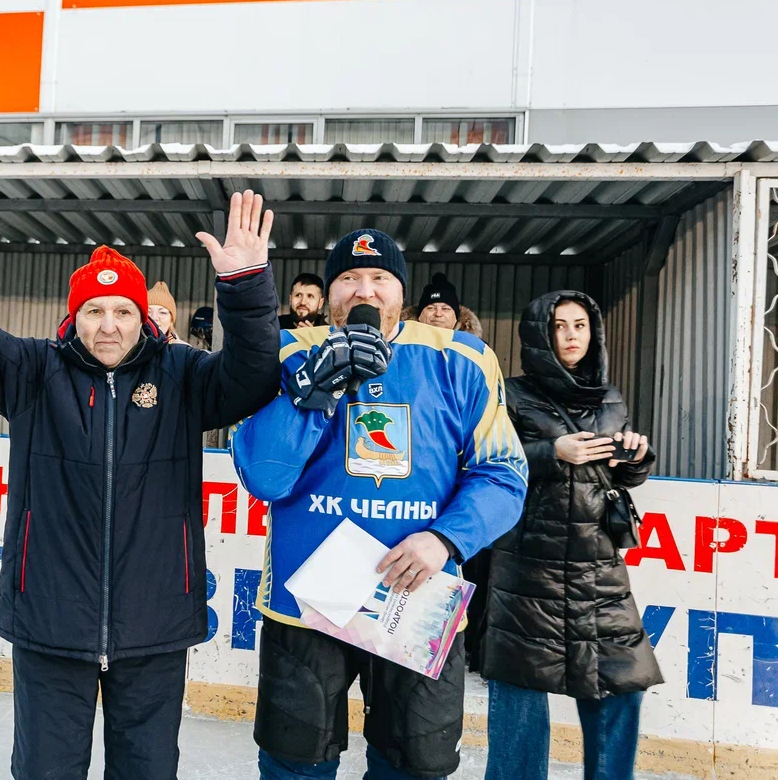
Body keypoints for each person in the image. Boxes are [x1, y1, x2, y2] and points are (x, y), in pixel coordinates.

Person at [0, 131, 280, 780]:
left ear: (143, 317)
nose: (109, 324)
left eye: (122, 311)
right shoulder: (30, 373)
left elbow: (253, 374)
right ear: (72, 317)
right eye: (94, 310)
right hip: (51, 622)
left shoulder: (184, 378)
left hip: (155, 626)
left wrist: (244, 286)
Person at [232, 228, 529, 780]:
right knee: (294, 764)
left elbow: (505, 474)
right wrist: (312, 392)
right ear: (328, 291)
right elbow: (264, 477)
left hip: (416, 602)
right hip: (307, 605)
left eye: (379, 279)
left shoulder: (461, 358)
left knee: (416, 766)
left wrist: (445, 539)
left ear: (401, 292)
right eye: (347, 278)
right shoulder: (292, 351)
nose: (363, 291)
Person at [478, 291, 660, 780]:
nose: (571, 335)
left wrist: (635, 459)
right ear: (540, 335)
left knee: (623, 682)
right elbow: (485, 462)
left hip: (598, 567)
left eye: (580, 325)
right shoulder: (508, 393)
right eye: (559, 326)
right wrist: (551, 452)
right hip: (527, 566)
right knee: (520, 691)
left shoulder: (610, 397)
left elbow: (617, 479)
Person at [402, 272, 483, 337]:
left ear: (456, 317)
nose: (438, 314)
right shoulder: (399, 345)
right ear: (419, 315)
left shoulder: (476, 348)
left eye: (445, 309)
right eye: (431, 308)